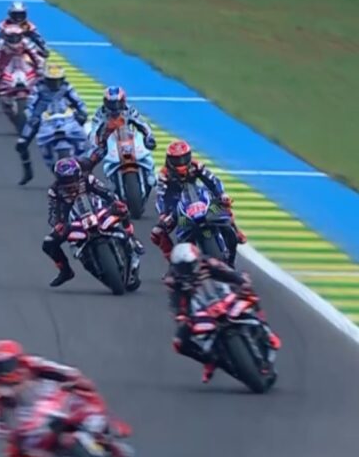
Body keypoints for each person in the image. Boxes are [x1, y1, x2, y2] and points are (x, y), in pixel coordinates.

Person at [0, 339, 105, 457]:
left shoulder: (32, 363)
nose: (2, 371)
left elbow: (65, 371)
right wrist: (9, 434)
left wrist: (74, 379)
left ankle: (104, 427)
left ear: (18, 359)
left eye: (6, 365)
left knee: (85, 390)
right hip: (32, 422)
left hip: (56, 398)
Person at [164, 243, 281, 383]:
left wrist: (242, 281)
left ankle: (266, 330)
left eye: (189, 265)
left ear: (196, 259)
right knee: (179, 343)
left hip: (223, 297)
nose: (186, 270)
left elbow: (229, 273)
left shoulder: (208, 262)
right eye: (182, 267)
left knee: (249, 294)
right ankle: (209, 360)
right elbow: (176, 304)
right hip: (200, 310)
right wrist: (182, 318)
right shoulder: (173, 280)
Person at [40, 158, 143, 288]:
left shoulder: (88, 179)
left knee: (122, 209)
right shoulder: (54, 191)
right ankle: (65, 271)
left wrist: (115, 203)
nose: (69, 183)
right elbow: (53, 212)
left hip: (98, 212)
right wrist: (58, 224)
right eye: (65, 180)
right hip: (74, 221)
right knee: (48, 243)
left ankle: (132, 238)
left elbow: (107, 193)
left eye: (71, 178)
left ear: (78, 174)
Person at [151, 140, 247, 265]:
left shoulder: (196, 165)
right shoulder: (164, 175)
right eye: (176, 160)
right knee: (157, 233)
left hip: (199, 197)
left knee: (223, 204)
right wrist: (163, 214)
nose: (181, 163)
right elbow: (160, 196)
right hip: (177, 208)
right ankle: (174, 263)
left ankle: (235, 229)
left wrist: (221, 194)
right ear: (169, 160)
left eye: (184, 158)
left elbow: (212, 179)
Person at [14, 64, 87, 185]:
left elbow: (79, 102)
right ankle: (27, 170)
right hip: (41, 116)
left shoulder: (67, 87)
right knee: (21, 144)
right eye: (52, 81)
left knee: (86, 139)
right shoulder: (38, 87)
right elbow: (29, 104)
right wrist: (31, 117)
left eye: (57, 80)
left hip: (64, 116)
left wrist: (82, 113)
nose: (55, 84)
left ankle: (83, 163)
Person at [0, 25, 41, 135]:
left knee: (43, 86)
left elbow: (36, 56)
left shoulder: (26, 42)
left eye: (16, 37)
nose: (14, 40)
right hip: (7, 67)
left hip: (23, 65)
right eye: (11, 37)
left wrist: (40, 68)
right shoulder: (1, 45)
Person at [83, 86, 157, 170]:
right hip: (107, 145)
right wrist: (95, 146)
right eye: (111, 104)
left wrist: (149, 136)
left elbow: (143, 124)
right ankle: (87, 176)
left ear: (123, 101)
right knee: (90, 158)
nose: (114, 107)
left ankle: (150, 174)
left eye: (117, 103)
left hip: (127, 142)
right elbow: (94, 131)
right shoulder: (101, 113)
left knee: (147, 156)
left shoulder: (129, 110)